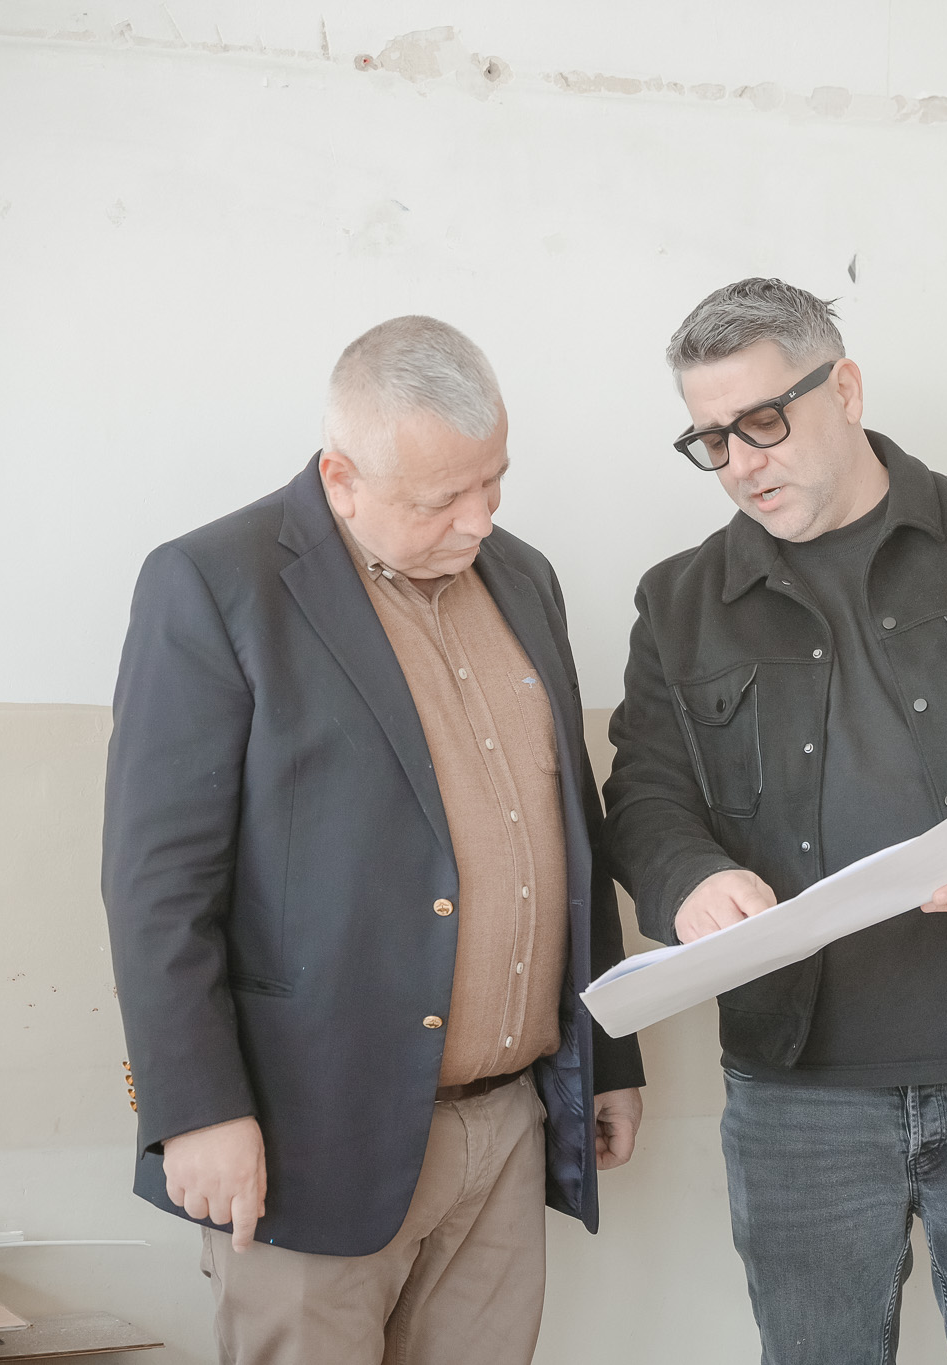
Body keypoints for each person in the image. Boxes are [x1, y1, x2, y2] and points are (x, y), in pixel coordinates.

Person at [602, 278, 947, 1365]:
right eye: (712, 440)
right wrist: (689, 882)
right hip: (796, 1097)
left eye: (761, 422)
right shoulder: (678, 603)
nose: (741, 463)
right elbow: (645, 794)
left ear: (846, 389)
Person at [103, 317, 645, 1365]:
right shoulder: (214, 581)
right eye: (441, 499)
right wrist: (194, 1110)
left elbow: (568, 829)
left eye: (493, 482)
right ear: (341, 478)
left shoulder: (523, 576)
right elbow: (156, 883)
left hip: (508, 1123)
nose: (478, 520)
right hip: (307, 1132)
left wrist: (606, 1051)